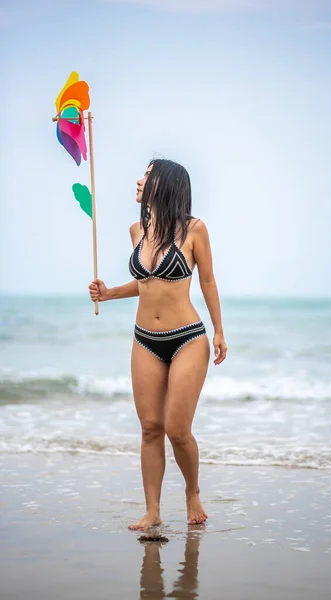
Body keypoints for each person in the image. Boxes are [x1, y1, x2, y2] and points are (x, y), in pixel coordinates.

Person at [88, 159, 227, 530]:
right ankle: (152, 511)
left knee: (176, 429)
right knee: (150, 426)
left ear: (165, 183)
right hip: (145, 340)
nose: (138, 180)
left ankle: (192, 490)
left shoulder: (195, 230)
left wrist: (218, 330)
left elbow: (208, 281)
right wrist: (109, 292)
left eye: (147, 175)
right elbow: (145, 283)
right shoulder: (137, 229)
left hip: (187, 338)